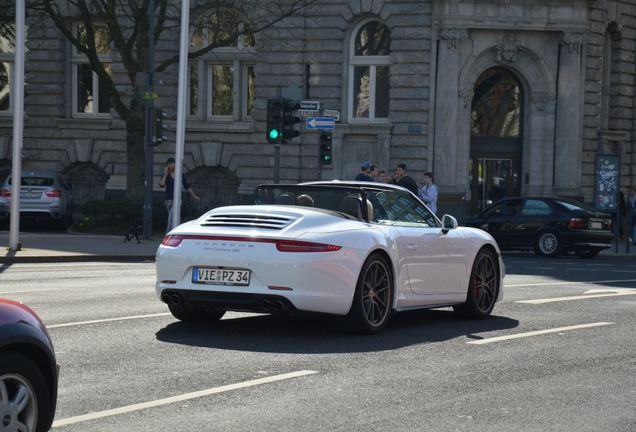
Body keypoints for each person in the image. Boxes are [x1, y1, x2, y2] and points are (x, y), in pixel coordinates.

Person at [159, 157, 199, 233]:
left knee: (171, 219)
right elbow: (162, 184)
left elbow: (187, 186)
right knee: (173, 220)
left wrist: (194, 196)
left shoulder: (180, 175)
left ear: (175, 164)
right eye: (168, 164)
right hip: (168, 200)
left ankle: (167, 236)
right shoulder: (166, 175)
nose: (169, 166)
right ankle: (176, 234)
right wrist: (165, 174)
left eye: (171, 164)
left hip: (177, 200)